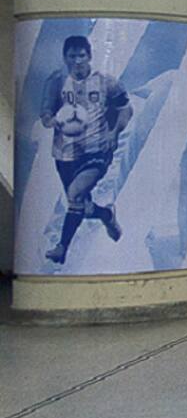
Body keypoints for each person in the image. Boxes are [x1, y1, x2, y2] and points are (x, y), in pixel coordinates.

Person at [40, 36, 132, 264]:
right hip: (65, 152)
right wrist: (52, 121)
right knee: (81, 205)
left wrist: (114, 133)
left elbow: (125, 110)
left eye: (81, 55)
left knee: (75, 194)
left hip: (97, 150)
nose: (77, 60)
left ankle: (61, 248)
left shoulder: (107, 83)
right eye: (72, 56)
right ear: (65, 58)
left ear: (89, 56)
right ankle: (106, 214)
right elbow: (45, 114)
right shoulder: (56, 81)